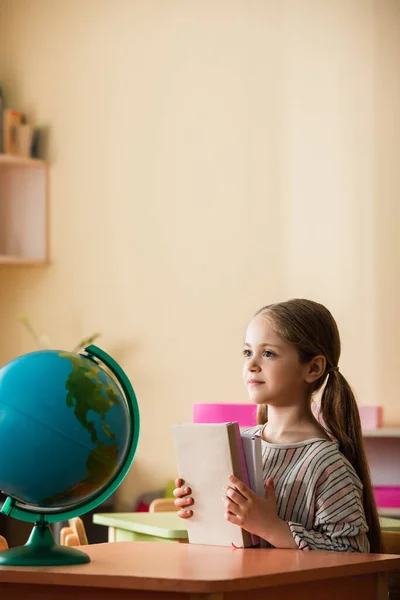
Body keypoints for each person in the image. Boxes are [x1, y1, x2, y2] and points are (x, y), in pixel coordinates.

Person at [174, 299, 381, 552]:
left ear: (313, 368)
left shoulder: (327, 465)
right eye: (248, 352)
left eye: (268, 353)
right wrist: (201, 507)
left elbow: (354, 555)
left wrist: (270, 527)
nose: (251, 365)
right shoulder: (235, 446)